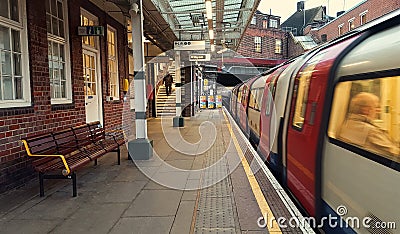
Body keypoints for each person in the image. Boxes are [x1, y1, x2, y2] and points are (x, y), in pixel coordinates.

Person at [338, 92, 399, 158]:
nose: (379, 110)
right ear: (365, 110)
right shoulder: (370, 132)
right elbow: (395, 154)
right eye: (376, 107)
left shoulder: (348, 124)